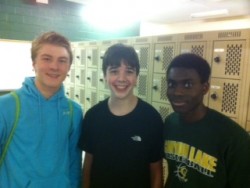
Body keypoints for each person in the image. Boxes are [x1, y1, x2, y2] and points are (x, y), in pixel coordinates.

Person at [0, 31, 83, 188]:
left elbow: (74, 165)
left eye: (62, 60)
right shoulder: (6, 107)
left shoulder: (74, 112)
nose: (54, 66)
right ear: (33, 63)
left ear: (69, 67)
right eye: (47, 59)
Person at [78, 43, 164, 188]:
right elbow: (87, 166)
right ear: (105, 75)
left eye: (129, 71)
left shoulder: (151, 118)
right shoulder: (93, 116)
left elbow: (156, 172)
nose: (122, 78)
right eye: (114, 71)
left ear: (136, 77)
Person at [163, 53, 250, 188]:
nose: (177, 92)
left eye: (187, 84)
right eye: (171, 84)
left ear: (205, 88)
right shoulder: (170, 123)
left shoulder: (234, 138)